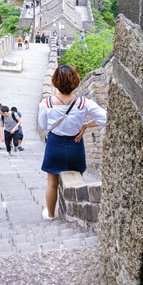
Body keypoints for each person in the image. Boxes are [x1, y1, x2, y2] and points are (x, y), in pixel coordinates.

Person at [38, 64, 106, 220]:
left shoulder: (46, 104)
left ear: (55, 82)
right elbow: (106, 118)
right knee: (78, 178)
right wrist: (87, 124)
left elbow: (43, 125)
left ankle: (50, 214)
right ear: (75, 82)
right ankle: (79, 214)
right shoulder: (84, 103)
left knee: (52, 183)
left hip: (54, 145)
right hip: (76, 145)